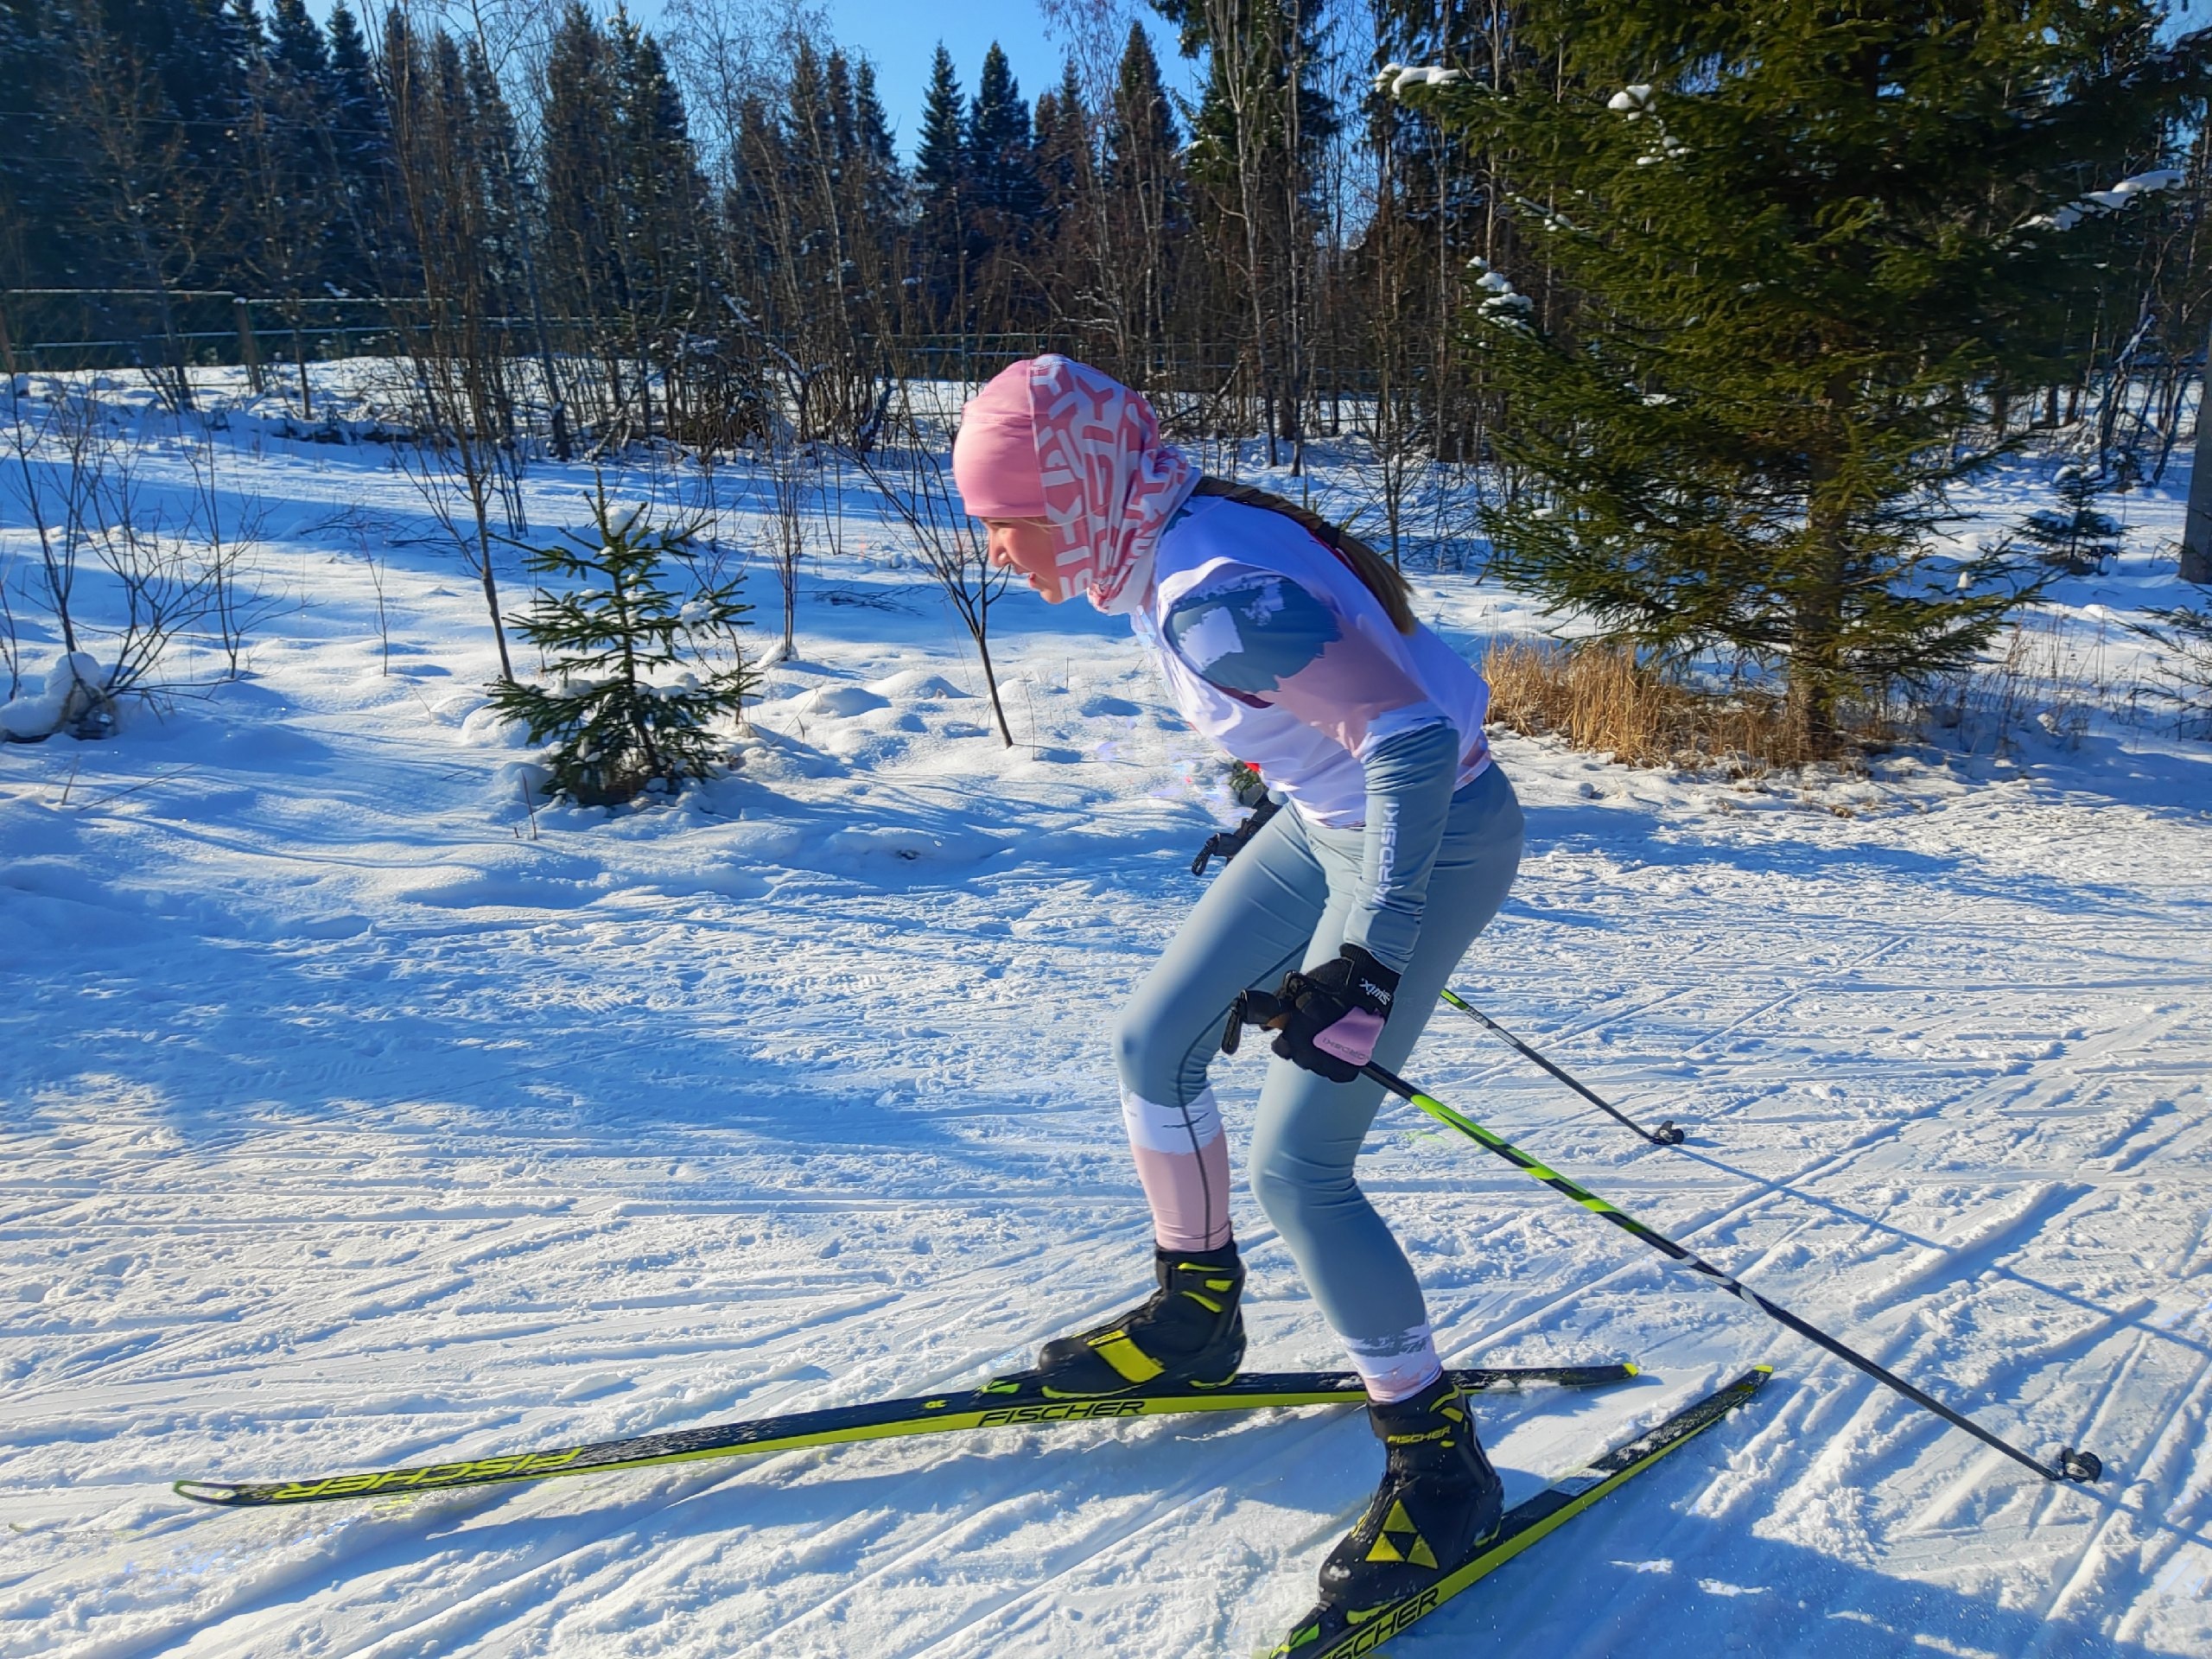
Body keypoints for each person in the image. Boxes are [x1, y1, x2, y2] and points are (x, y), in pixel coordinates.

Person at [950, 355, 1525, 1618]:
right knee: (1154, 1044)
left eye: (1003, 519)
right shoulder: (1177, 534)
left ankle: (1442, 1473)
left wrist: (1363, 952)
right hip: (1329, 823)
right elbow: (1351, 700)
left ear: (1078, 492)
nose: (993, 547)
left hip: (1425, 837)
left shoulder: (1213, 595)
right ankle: (1194, 1318)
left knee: (1298, 1167)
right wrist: (1278, 803)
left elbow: (1418, 742)